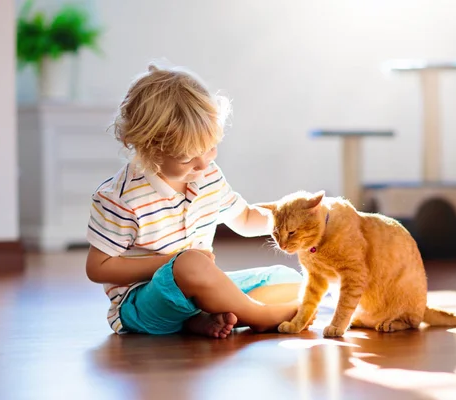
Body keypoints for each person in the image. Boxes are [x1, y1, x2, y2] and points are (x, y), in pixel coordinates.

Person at [85, 63, 303, 338]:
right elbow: (97, 268)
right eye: (187, 158)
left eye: (211, 148)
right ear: (148, 149)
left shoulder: (208, 175)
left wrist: (290, 218)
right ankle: (259, 316)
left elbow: (246, 219)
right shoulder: (122, 198)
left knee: (288, 280)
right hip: (143, 303)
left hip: (196, 288)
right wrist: (171, 261)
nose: (204, 163)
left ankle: (201, 318)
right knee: (190, 265)